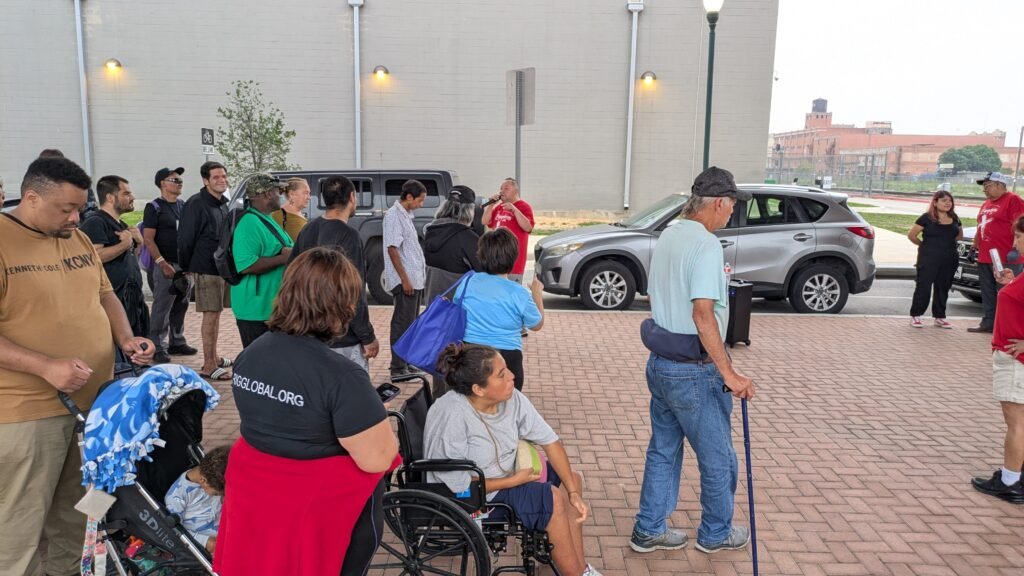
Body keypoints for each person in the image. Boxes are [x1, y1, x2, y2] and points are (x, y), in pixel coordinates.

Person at [0, 157, 153, 576]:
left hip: (93, 407)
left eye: (79, 208)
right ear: (31, 198)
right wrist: (45, 366)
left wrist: (126, 339)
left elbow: (104, 295)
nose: (74, 218)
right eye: (66, 209)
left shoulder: (77, 238)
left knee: (80, 511)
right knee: (19, 522)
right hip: (27, 413)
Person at [214, 247, 400, 576]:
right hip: (314, 511)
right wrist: (369, 411)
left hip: (258, 500)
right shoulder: (342, 376)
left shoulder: (250, 355)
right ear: (342, 305)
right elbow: (377, 459)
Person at [631, 166, 755, 555]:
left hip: (661, 362)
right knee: (718, 458)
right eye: (732, 205)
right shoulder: (706, 244)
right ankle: (716, 533)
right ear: (718, 203)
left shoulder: (669, 234)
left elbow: (654, 296)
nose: (732, 212)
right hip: (693, 371)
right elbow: (703, 314)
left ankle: (648, 528)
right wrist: (729, 373)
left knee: (663, 450)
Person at [424, 343, 601, 576]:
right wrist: (514, 481)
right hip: (472, 497)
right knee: (552, 498)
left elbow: (550, 441)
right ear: (479, 389)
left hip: (508, 474)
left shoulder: (512, 398)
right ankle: (576, 573)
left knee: (571, 480)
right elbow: (456, 484)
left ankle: (578, 567)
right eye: (502, 374)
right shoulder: (452, 414)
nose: (512, 376)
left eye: (507, 369)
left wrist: (574, 493)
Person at [290, 176, 379, 372]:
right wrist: (367, 336)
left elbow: (290, 279)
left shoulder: (307, 230)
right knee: (350, 388)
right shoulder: (349, 235)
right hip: (342, 338)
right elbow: (354, 292)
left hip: (309, 333)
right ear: (352, 197)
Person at [971, 214, 1024, 503]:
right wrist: (1011, 283)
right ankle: (1017, 476)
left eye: (1018, 237)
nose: (1014, 243)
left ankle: (1010, 481)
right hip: (1014, 356)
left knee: (1016, 423)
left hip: (1016, 359)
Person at [452, 228, 544, 393]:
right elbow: (536, 324)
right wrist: (537, 294)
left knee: (472, 403)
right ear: (513, 257)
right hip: (507, 357)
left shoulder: (468, 282)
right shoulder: (518, 292)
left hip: (471, 354)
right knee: (506, 404)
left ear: (481, 255)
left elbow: (456, 308)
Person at [178, 161, 233, 380]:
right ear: (205, 180)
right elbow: (185, 239)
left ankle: (215, 357)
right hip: (205, 267)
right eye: (216, 177)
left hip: (221, 268)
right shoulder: (195, 204)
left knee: (216, 313)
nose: (221, 180)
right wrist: (186, 267)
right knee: (210, 315)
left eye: (224, 176)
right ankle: (208, 365)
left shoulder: (222, 203)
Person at [80, 175, 150, 339]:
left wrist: (138, 244)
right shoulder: (96, 222)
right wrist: (123, 245)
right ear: (110, 198)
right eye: (126, 193)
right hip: (112, 303)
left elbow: (130, 259)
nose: (132, 197)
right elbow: (94, 257)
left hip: (132, 302)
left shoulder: (122, 225)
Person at [230, 174, 293, 348]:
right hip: (255, 311)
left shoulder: (265, 219)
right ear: (267, 194)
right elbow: (246, 265)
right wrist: (283, 258)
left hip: (270, 310)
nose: (280, 196)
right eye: (278, 191)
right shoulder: (249, 222)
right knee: (259, 361)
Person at [144, 167, 196, 364]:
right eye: (174, 180)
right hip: (165, 265)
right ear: (162, 184)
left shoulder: (183, 206)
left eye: (180, 180)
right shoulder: (154, 207)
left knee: (181, 305)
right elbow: (148, 239)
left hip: (184, 266)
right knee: (162, 307)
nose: (179, 183)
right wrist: (162, 263)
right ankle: (157, 345)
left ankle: (177, 341)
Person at [968, 172, 1024, 334]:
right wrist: (974, 246)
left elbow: (1020, 226)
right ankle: (989, 321)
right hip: (986, 256)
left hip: (1005, 256)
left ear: (1000, 185)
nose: (984, 189)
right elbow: (981, 226)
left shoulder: (1013, 200)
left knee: (1006, 292)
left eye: (988, 186)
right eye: (984, 186)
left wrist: (1015, 249)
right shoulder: (986, 203)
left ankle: (1007, 324)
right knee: (987, 291)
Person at [384, 179, 427, 379]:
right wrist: (405, 279)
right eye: (420, 200)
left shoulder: (406, 215)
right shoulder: (394, 215)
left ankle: (406, 363)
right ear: (409, 197)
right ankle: (398, 368)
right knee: (402, 324)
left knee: (411, 324)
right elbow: (392, 249)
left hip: (414, 279)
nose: (421, 204)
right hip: (405, 281)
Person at [908, 189, 963, 329]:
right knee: (923, 287)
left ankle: (940, 317)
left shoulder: (955, 218)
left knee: (943, 288)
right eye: (944, 200)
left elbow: (959, 236)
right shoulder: (926, 218)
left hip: (949, 259)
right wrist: (924, 246)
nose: (948, 203)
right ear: (935, 202)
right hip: (928, 259)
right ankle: (916, 315)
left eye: (950, 201)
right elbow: (912, 235)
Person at [165, 446, 231, 554]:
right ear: (203, 481)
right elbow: (175, 531)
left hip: (226, 527)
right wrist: (205, 541)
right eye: (216, 494)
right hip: (207, 541)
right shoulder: (177, 496)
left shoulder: (214, 478)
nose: (219, 495)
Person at [423, 185, 482, 301]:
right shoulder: (468, 238)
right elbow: (483, 272)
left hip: (433, 302)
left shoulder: (431, 231)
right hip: (456, 305)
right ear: (469, 210)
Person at [482, 177, 534, 284]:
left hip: (513, 263)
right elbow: (485, 221)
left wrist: (514, 209)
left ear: (515, 191)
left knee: (511, 291)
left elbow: (528, 227)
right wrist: (491, 205)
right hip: (496, 261)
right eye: (501, 188)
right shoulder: (499, 207)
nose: (502, 191)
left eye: (506, 188)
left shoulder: (524, 207)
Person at [271, 177, 310, 242]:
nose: (309, 197)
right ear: (292, 194)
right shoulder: (291, 221)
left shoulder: (276, 213)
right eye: (306, 193)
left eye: (309, 193)